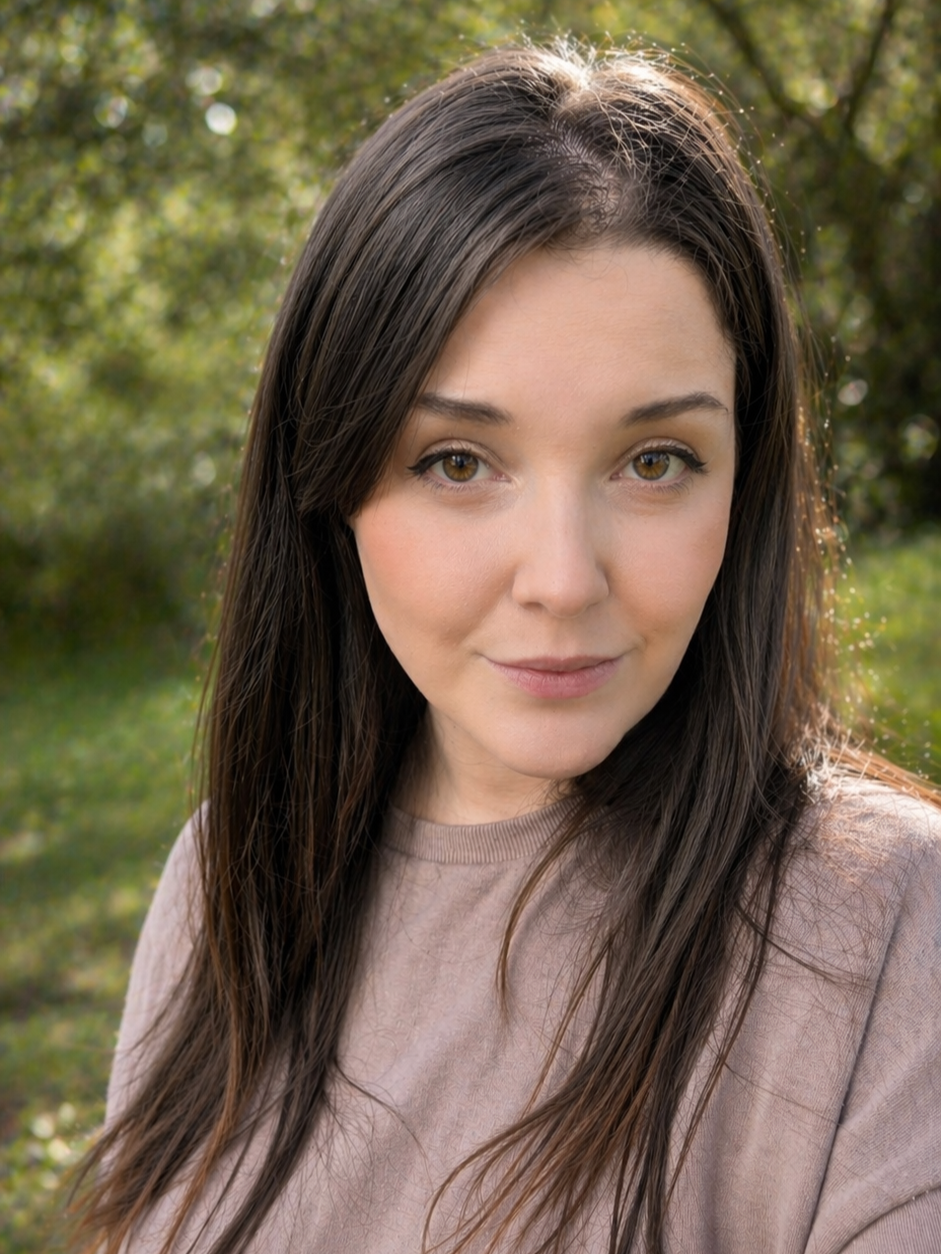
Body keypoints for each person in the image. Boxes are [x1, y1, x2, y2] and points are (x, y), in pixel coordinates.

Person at [74, 41, 941, 1254]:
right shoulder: (229, 883)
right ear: (330, 483)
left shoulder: (889, 922)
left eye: (654, 463)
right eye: (458, 463)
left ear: (742, 485)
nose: (561, 580)